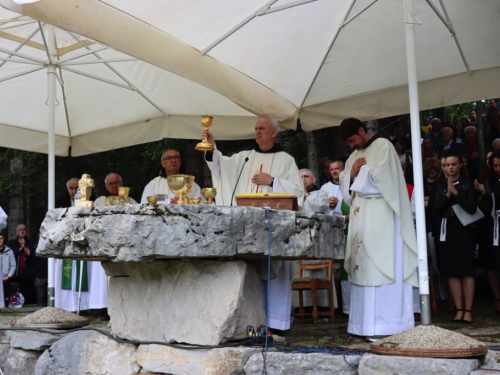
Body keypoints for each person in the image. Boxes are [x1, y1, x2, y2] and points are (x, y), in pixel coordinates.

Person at [203, 115, 304, 330]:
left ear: (273, 133)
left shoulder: (287, 160)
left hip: (276, 227)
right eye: (256, 128)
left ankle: (277, 325)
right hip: (250, 226)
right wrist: (211, 148)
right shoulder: (245, 158)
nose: (257, 132)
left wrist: (273, 181)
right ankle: (254, 325)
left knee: (276, 276)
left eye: (262, 128)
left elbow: (297, 192)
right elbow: (221, 167)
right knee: (253, 271)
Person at [338, 118, 418, 340]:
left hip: (383, 220)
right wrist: (352, 174)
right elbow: (345, 185)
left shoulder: (384, 146)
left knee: (384, 268)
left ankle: (390, 326)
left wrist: (357, 177)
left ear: (362, 130)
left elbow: (384, 179)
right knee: (364, 270)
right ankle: (364, 327)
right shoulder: (353, 156)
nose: (352, 146)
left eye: (353, 139)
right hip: (361, 222)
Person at [433, 150, 477, 324]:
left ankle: (468, 310)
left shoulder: (467, 183)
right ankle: (458, 309)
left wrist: (457, 194)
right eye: (446, 165)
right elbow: (435, 211)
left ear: (460, 165)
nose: (449, 168)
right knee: (451, 272)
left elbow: (472, 208)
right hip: (446, 230)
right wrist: (448, 195)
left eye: (452, 164)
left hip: (464, 230)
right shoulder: (439, 185)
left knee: (466, 271)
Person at [7, 224, 36, 304]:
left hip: (27, 273)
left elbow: (33, 258)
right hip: (15, 272)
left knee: (26, 294)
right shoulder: (11, 243)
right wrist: (20, 249)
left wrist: (29, 254)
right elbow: (10, 255)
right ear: (17, 232)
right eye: (20, 230)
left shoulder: (31, 243)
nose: (22, 231)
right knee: (13, 291)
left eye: (24, 229)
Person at [0, 234, 15, 307]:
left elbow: (13, 265)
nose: (0, 240)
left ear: (3, 239)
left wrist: (9, 275)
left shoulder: (9, 251)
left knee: (6, 296)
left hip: (6, 278)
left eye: (1, 238)